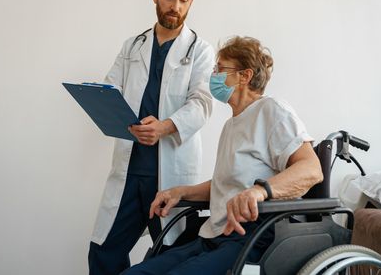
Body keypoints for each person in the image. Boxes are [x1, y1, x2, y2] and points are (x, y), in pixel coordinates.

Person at [121, 36, 324, 275]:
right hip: (213, 235)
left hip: (251, 236)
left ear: (244, 76)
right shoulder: (232, 125)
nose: (213, 75)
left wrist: (260, 191)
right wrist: (181, 192)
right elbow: (226, 185)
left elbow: (312, 169)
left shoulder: (272, 110)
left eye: (220, 69)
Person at [88, 0, 214, 275]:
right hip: (130, 171)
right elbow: (110, 89)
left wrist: (165, 127)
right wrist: (118, 115)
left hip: (171, 173)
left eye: (184, 0)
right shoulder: (133, 46)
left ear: (192, 1)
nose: (176, 7)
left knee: (171, 257)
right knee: (103, 253)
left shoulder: (200, 50)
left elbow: (202, 104)